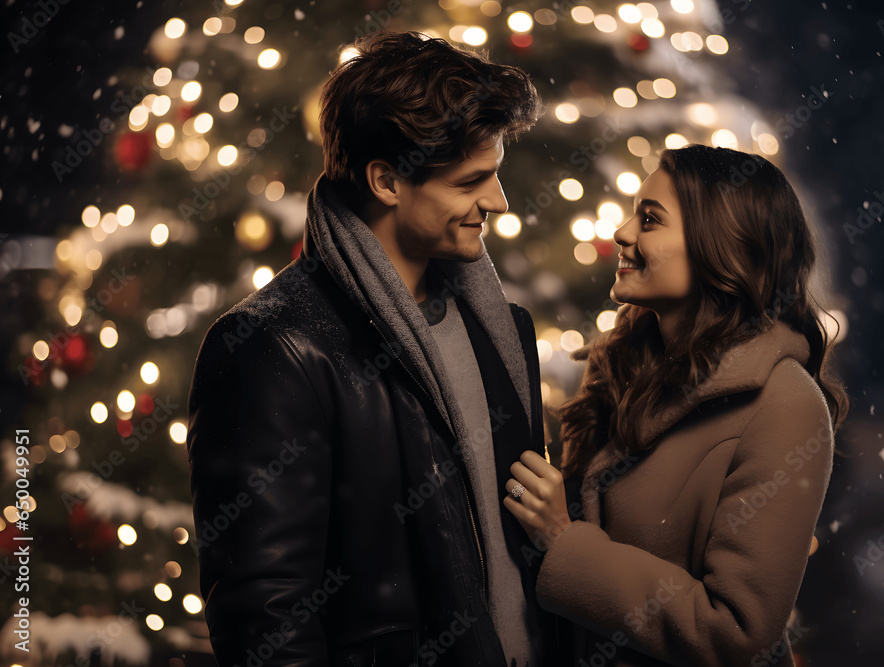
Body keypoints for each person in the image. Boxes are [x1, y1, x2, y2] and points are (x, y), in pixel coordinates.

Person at [186, 31, 566, 666]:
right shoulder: (272, 349)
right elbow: (267, 617)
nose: (498, 203)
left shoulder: (504, 330)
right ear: (387, 180)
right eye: (472, 181)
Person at [502, 144, 850, 666]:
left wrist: (563, 541)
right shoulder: (622, 366)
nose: (622, 233)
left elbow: (736, 634)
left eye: (649, 220)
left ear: (721, 245)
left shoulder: (785, 406)